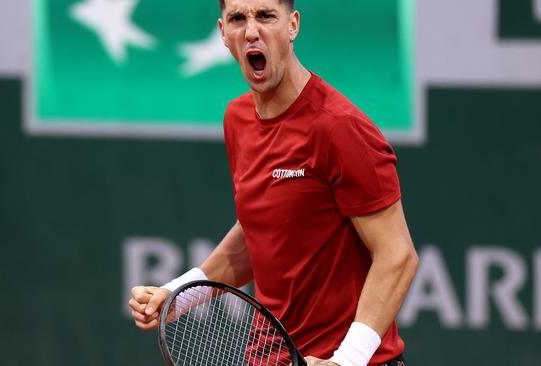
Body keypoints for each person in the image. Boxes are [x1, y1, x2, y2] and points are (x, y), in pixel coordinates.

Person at [128, 0, 418, 365]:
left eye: (265, 16)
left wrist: (346, 360)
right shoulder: (238, 119)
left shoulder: (339, 127)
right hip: (268, 357)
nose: (251, 31)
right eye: (237, 19)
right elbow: (260, 234)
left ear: (292, 25)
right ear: (223, 33)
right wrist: (176, 295)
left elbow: (398, 255)